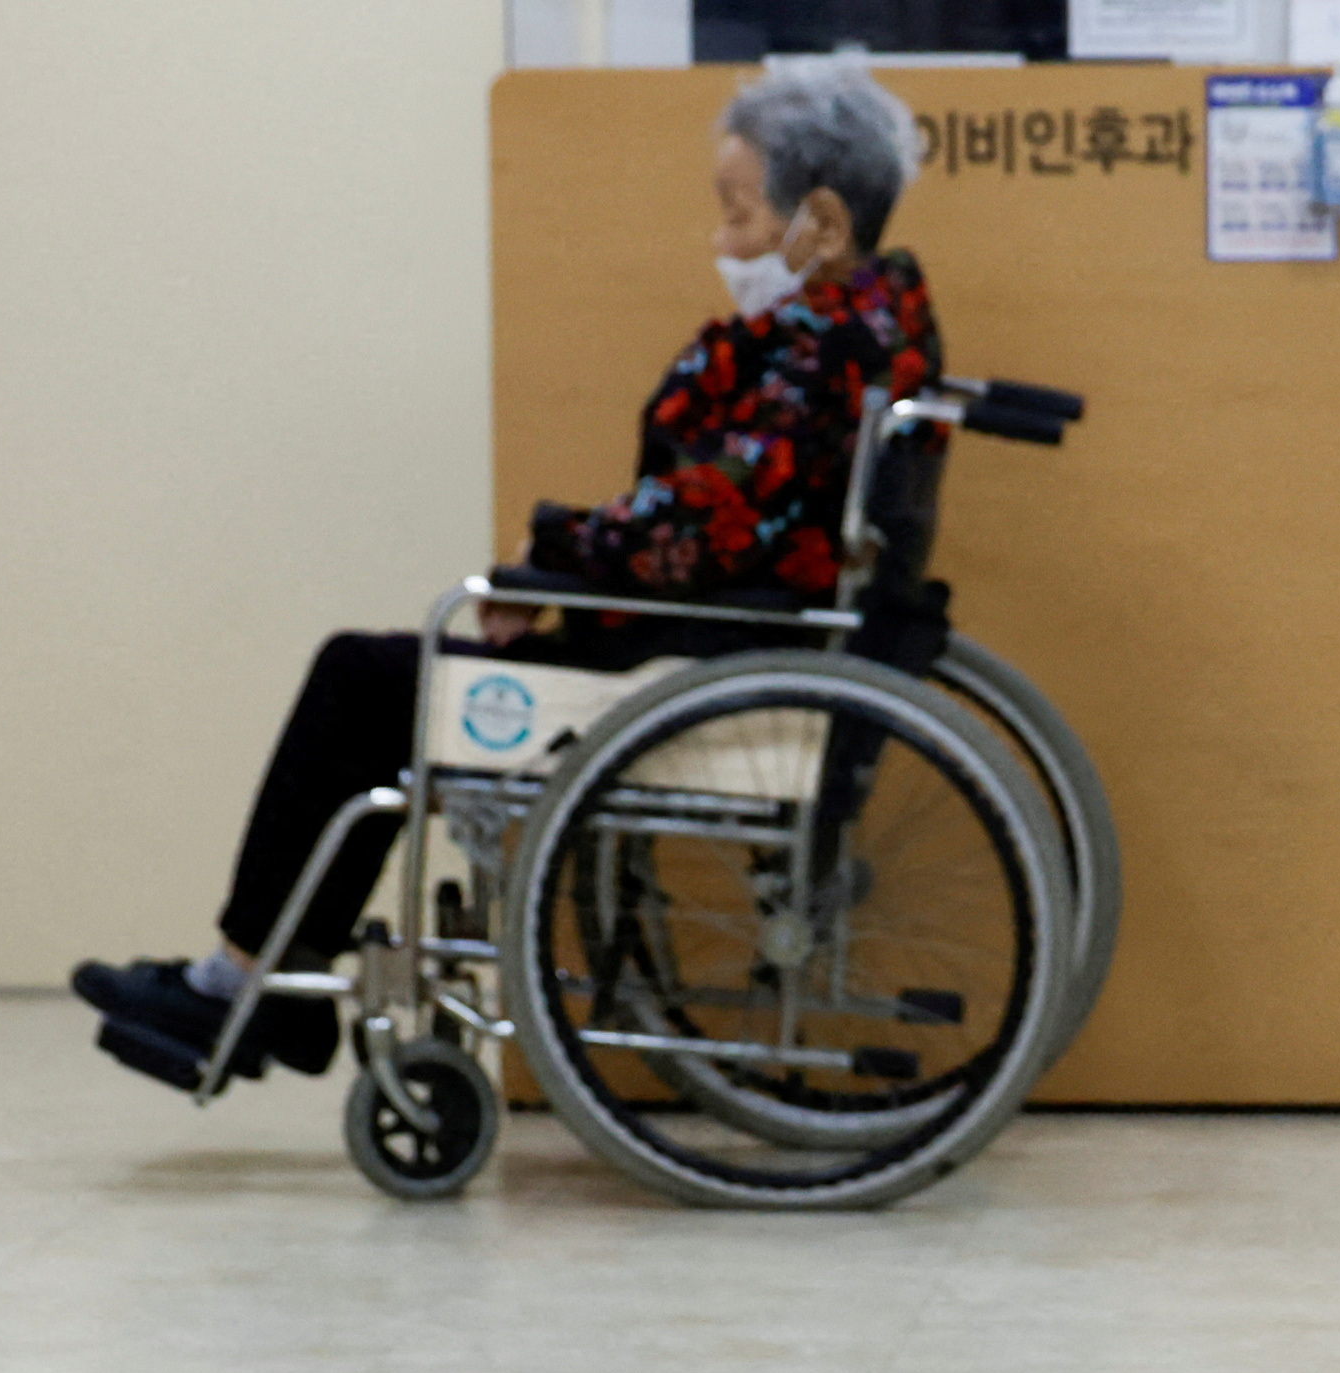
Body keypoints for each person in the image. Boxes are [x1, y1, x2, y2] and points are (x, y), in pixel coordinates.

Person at [72, 62, 942, 1089]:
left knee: (361, 681)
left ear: (824, 222)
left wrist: (550, 560)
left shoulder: (819, 349)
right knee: (376, 693)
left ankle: (247, 983)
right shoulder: (868, 333)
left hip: (702, 663)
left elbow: (712, 521)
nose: (721, 239)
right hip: (722, 641)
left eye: (739, 211)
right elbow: (719, 512)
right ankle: (267, 981)